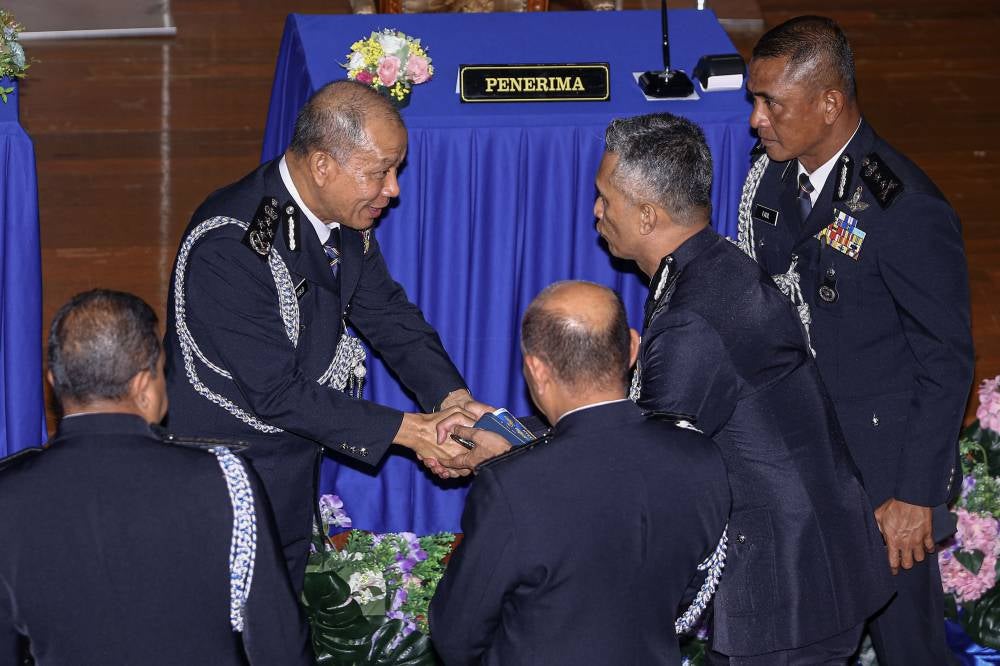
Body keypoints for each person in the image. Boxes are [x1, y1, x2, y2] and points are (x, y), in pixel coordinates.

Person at [591, 112, 892, 664]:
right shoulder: (717, 262)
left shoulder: (692, 318)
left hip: (787, 588)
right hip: (819, 561)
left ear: (648, 214)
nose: (597, 212)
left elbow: (655, 473)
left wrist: (528, 454)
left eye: (606, 199)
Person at [164, 80, 482, 589]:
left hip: (289, 470)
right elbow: (275, 391)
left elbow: (389, 316)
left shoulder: (342, 216)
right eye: (380, 172)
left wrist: (453, 400)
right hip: (229, 486)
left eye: (396, 170)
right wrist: (415, 432)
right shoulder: (231, 245)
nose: (393, 190)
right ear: (321, 166)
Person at [737, 16, 974, 664]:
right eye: (755, 101)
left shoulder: (904, 210)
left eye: (772, 104)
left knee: (906, 646)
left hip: (881, 481)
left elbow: (947, 361)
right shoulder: (775, 181)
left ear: (829, 103)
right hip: (800, 459)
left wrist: (915, 494)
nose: (757, 119)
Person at [0, 290, 312, 666]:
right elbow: (277, 644)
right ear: (143, 384)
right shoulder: (224, 480)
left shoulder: (8, 494)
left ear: (54, 380)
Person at [429, 281, 730, 665]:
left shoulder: (512, 484)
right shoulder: (701, 457)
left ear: (535, 371)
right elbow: (691, 596)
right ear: (633, 348)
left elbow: (456, 636)